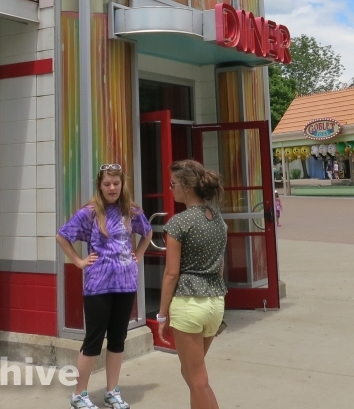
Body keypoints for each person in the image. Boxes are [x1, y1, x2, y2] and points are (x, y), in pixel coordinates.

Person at [57, 163, 152, 409]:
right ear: (99, 185)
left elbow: (147, 233)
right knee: (93, 340)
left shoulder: (131, 211)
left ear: (122, 185)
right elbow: (62, 235)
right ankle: (79, 394)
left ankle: (112, 391)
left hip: (126, 283)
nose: (112, 188)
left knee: (118, 339)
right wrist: (78, 261)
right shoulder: (89, 212)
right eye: (107, 183)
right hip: (98, 285)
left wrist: (138, 255)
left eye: (116, 183)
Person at [158, 160, 227, 409]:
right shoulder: (218, 220)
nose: (170, 188)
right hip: (215, 304)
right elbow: (220, 267)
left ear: (187, 187)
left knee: (196, 379)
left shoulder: (179, 222)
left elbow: (171, 273)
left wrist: (161, 314)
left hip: (189, 304)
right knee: (195, 378)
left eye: (173, 184)